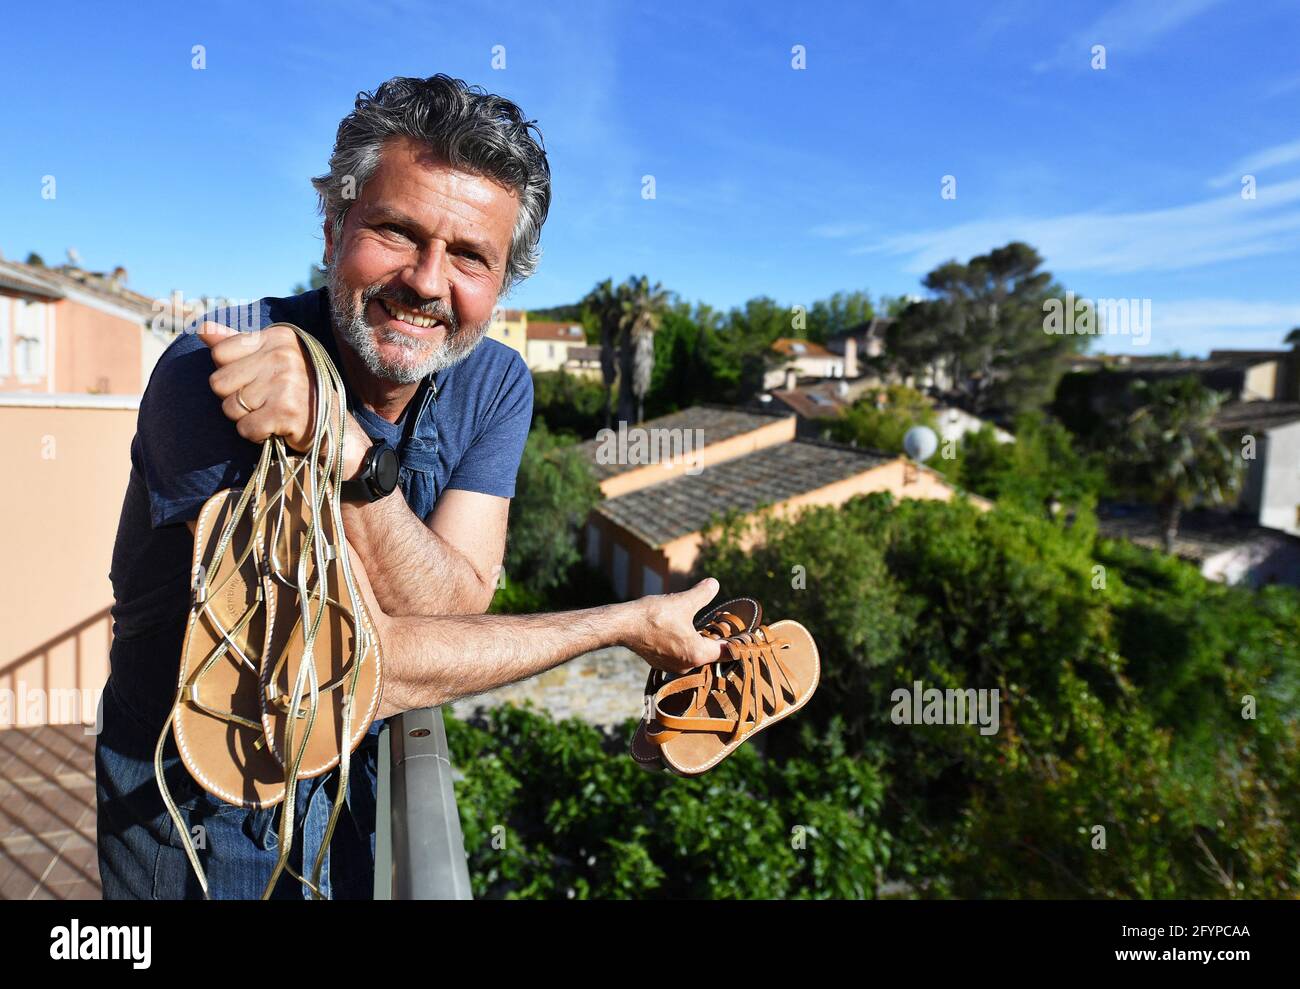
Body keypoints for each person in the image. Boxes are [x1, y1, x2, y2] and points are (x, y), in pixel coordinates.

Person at [95, 74, 722, 900]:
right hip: (195, 801)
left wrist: (349, 452)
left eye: (470, 256)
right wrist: (623, 623)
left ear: (503, 282)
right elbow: (334, 672)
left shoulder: (493, 384)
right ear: (333, 227)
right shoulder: (221, 369)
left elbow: (454, 605)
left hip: (356, 784)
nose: (428, 282)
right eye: (397, 231)